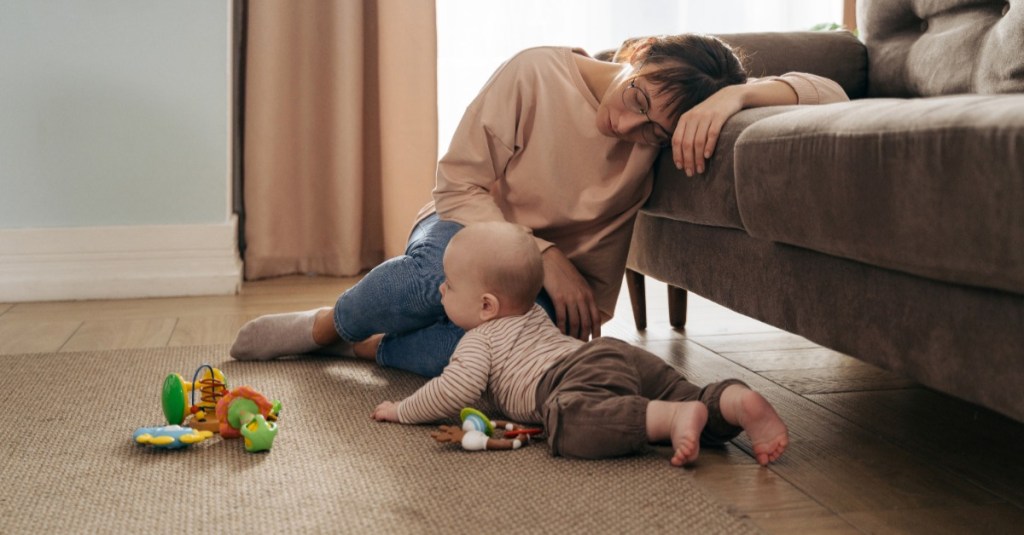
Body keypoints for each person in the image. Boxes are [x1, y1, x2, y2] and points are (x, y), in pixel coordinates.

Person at [229, 34, 849, 377]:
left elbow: (833, 92)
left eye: (653, 134)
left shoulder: (669, 126)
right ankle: (327, 327)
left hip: (564, 288)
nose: (626, 126)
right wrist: (540, 251)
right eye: (636, 98)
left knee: (486, 358)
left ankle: (369, 348)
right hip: (468, 229)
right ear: (639, 54)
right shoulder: (536, 72)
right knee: (429, 283)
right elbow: (457, 185)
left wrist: (733, 100)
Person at [370, 222, 788, 467]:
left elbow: (453, 390)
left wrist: (402, 410)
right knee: (681, 390)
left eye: (449, 284)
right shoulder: (532, 311)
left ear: (486, 305)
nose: (440, 289)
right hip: (611, 354)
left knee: (568, 421)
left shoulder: (478, 340)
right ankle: (731, 402)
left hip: (568, 379)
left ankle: (668, 417)